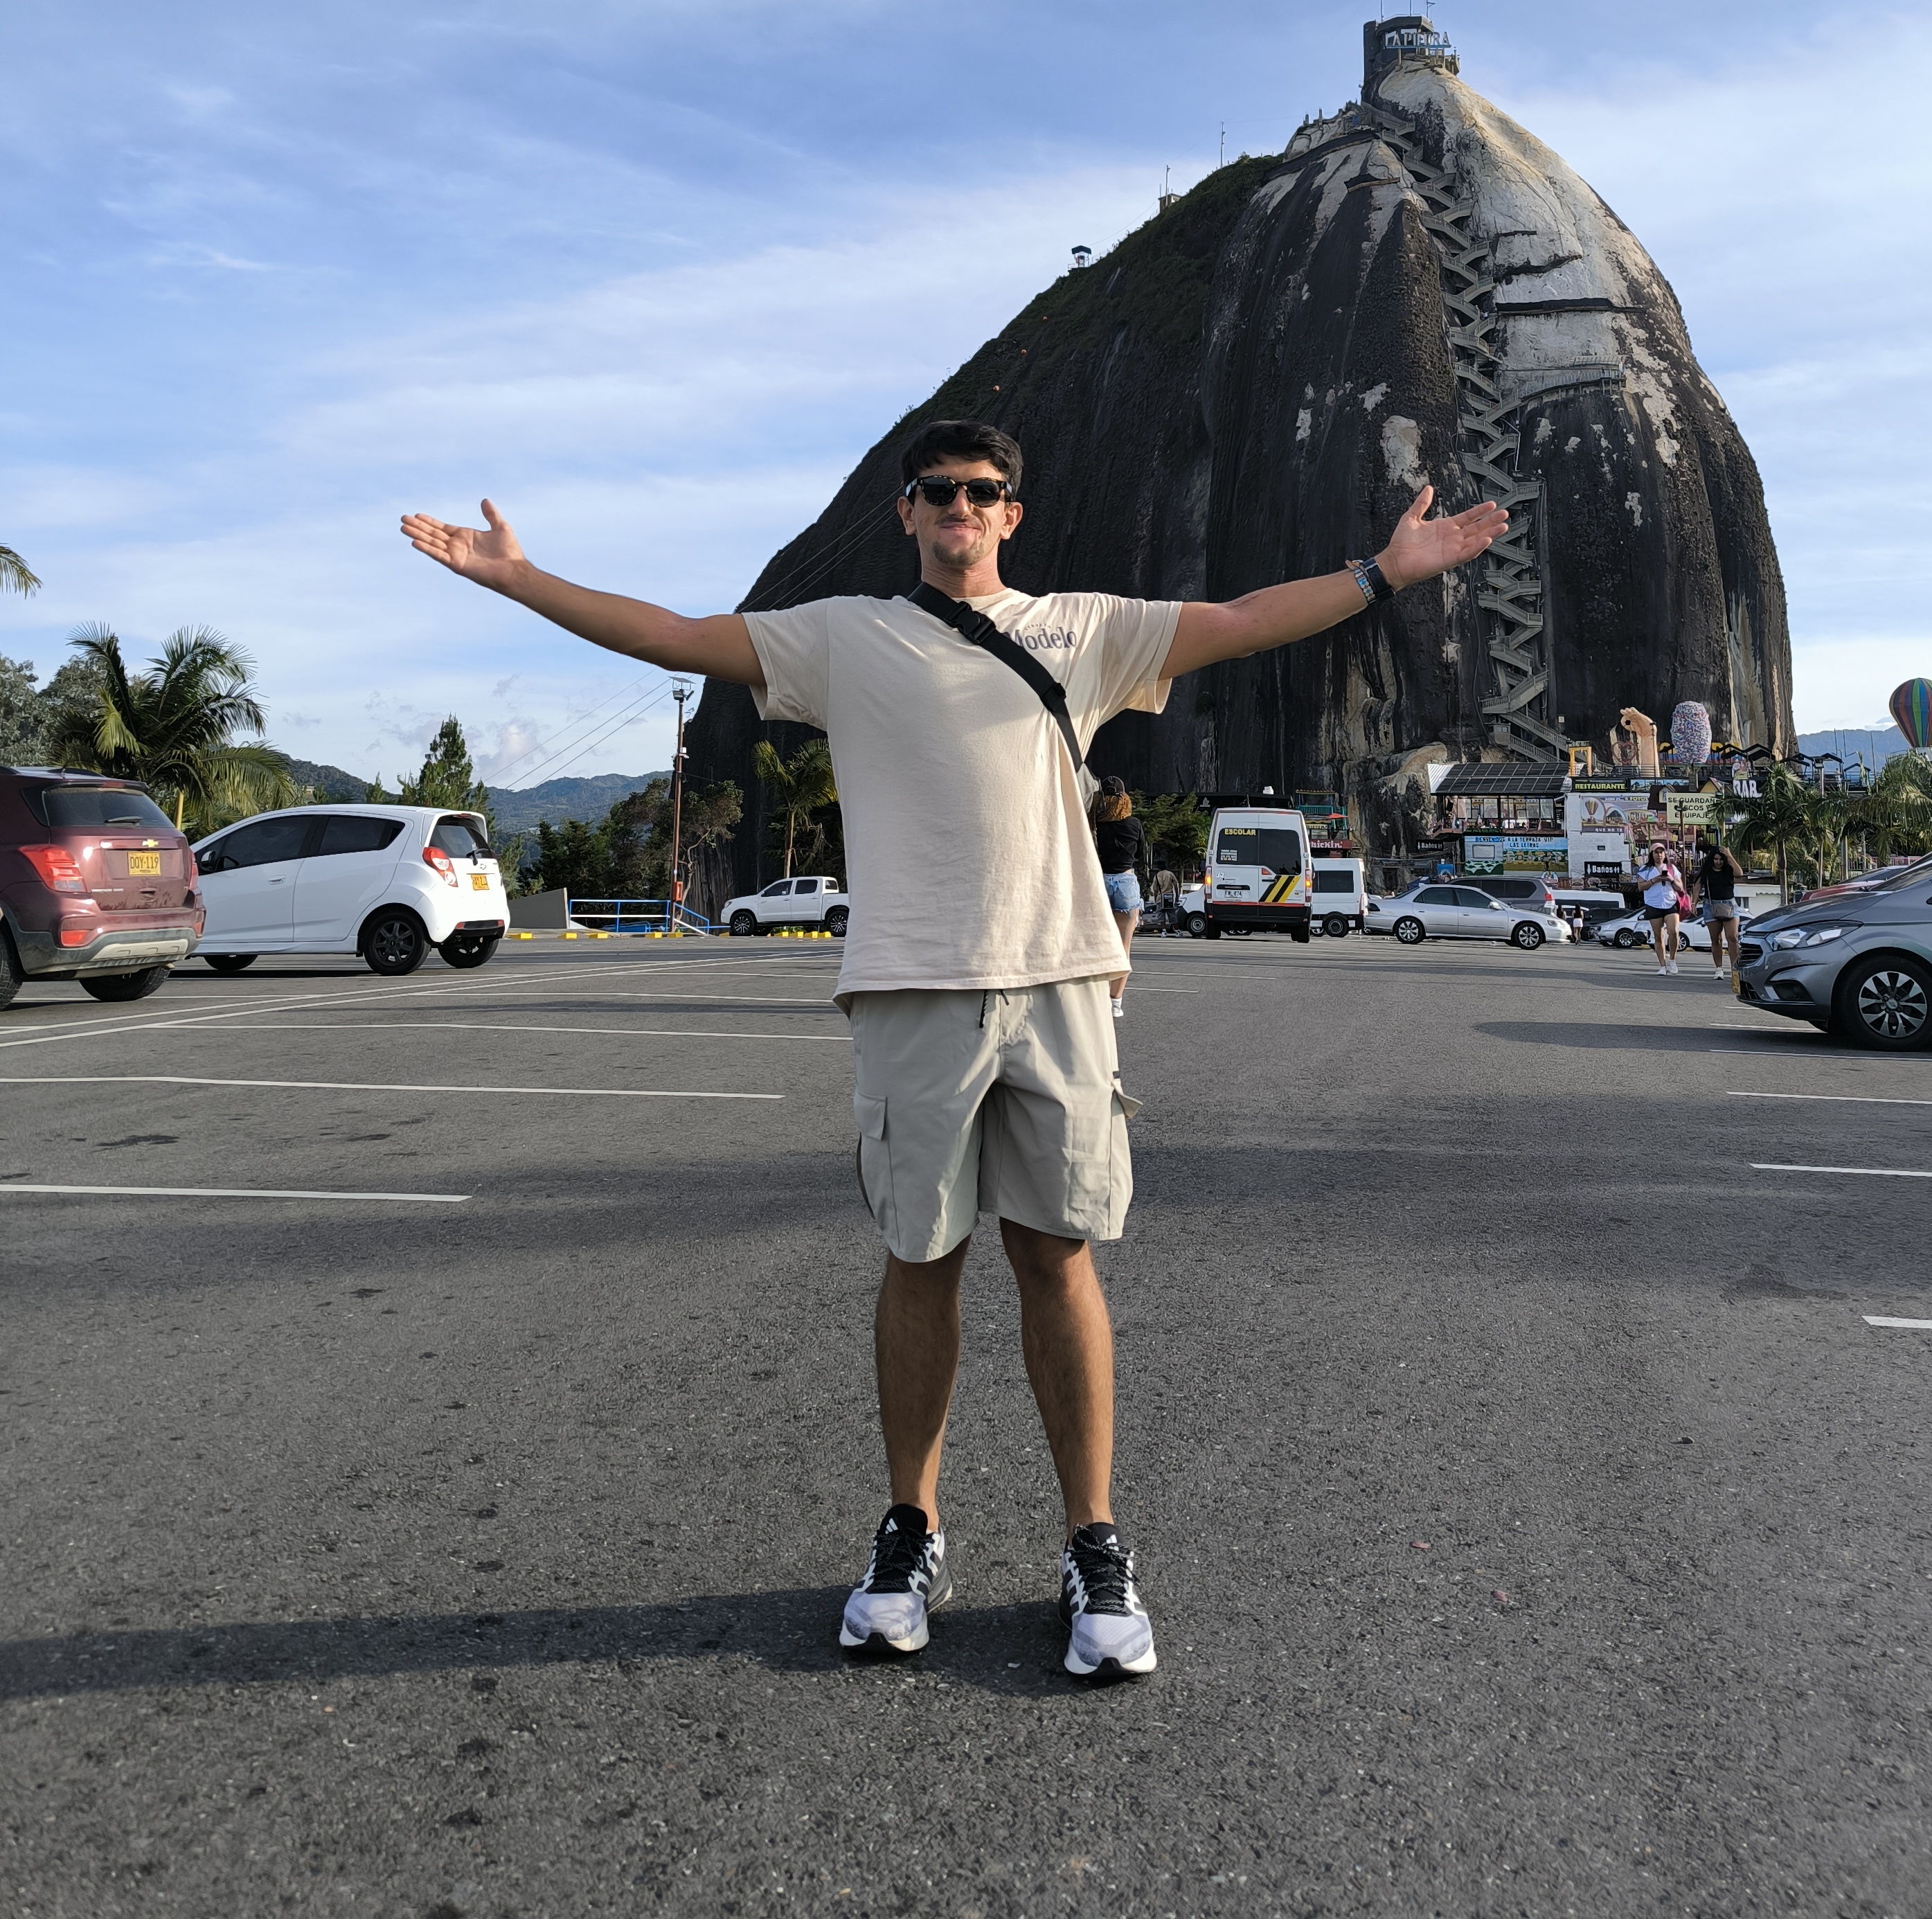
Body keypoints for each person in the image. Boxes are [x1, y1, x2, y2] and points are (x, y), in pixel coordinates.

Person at [402, 420, 1505, 1684]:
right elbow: (670, 632)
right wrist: (519, 580)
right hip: (913, 989)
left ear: (1010, 514)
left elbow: (1244, 617)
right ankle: (909, 1529)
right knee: (918, 1257)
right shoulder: (839, 637)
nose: (962, 510)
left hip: (1056, 981)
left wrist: (1381, 573)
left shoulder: (1084, 629)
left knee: (1059, 1259)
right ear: (907, 509)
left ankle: (1092, 1540)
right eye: (941, 493)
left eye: (984, 494)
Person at [1089, 778, 1148, 1014]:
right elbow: (1143, 854)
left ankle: (1098, 998)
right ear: (1125, 798)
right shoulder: (1134, 824)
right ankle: (1116, 1002)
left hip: (1101, 881)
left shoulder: (1097, 825)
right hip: (1125, 881)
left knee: (1100, 944)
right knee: (1124, 947)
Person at [1694, 833, 1743, 985]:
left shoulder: (1729, 868)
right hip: (1711, 905)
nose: (1718, 862)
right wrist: (1693, 903)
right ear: (1711, 859)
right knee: (1716, 939)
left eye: (1721, 859)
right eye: (1716, 859)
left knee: (1733, 938)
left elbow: (1739, 874)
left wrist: (1729, 856)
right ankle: (1719, 968)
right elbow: (1697, 886)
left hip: (1729, 904)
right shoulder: (1707, 871)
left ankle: (1735, 969)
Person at [1634, 840, 1683, 964]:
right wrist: (1654, 880)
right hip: (1653, 904)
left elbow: (1680, 888)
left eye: (1662, 852)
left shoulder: (1671, 868)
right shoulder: (1645, 870)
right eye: (1656, 853)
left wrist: (1671, 880)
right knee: (1658, 935)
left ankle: (1672, 960)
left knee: (1673, 931)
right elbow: (1641, 887)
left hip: (1670, 903)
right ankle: (1662, 964)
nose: (1659, 855)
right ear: (1652, 854)